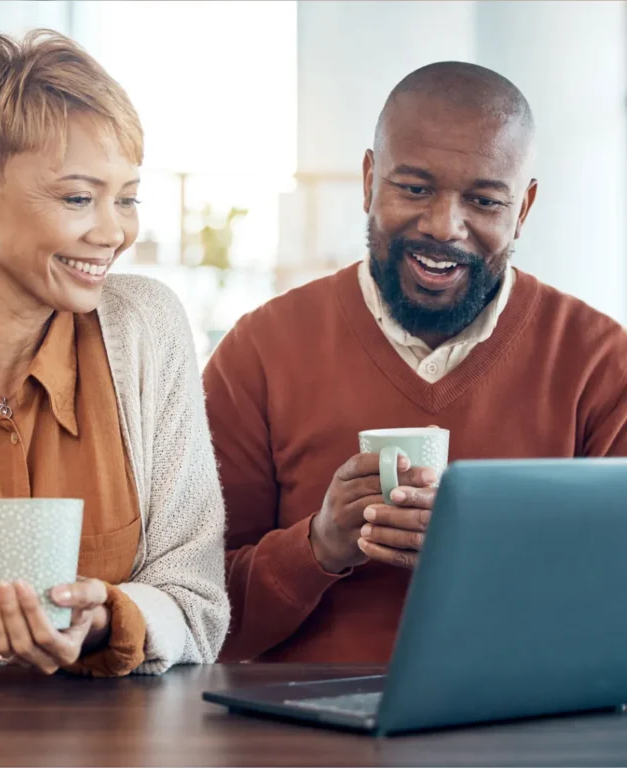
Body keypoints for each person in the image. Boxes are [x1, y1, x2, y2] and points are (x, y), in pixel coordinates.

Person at [203, 61, 627, 664]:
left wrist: (486, 549)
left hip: (521, 734)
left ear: (523, 208)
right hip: (302, 741)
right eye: (415, 188)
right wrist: (318, 546)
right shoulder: (260, 351)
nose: (443, 227)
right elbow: (191, 610)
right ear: (371, 178)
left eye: (483, 199)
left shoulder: (599, 363)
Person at [0, 30, 229, 679]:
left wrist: (107, 621)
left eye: (127, 197)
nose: (114, 232)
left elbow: (197, 602)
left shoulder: (151, 328)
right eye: (78, 198)